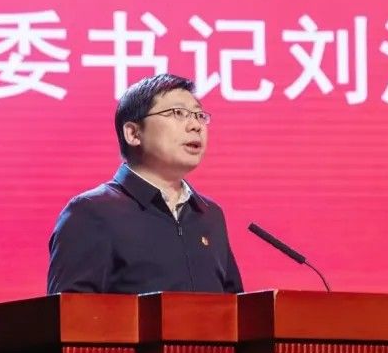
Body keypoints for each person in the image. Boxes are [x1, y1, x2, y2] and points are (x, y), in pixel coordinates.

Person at [47, 74, 243, 294]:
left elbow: (234, 305)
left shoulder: (209, 214)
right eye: (178, 113)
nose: (196, 125)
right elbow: (70, 310)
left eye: (199, 115)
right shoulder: (91, 211)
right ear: (133, 133)